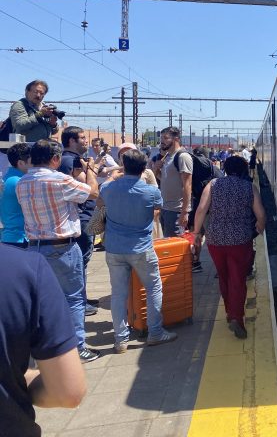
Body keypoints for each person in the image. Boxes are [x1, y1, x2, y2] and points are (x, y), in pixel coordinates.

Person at [16, 139, 101, 363]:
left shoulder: (22, 182)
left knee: (43, 300)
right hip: (61, 247)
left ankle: (47, 348)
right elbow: (92, 192)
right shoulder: (60, 180)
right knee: (73, 298)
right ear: (55, 159)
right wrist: (89, 169)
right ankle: (77, 348)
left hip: (33, 248)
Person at [0, 244, 86, 435]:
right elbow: (68, 391)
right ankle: (80, 343)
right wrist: (20, 380)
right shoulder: (22, 269)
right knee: (75, 299)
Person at [99, 149, 178, 353]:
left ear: (123, 166)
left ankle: (120, 340)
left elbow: (101, 198)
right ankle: (155, 333)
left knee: (118, 294)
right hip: (141, 248)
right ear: (144, 169)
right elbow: (157, 208)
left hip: (114, 248)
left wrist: (112, 177)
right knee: (153, 288)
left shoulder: (108, 189)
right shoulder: (151, 191)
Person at [193, 155, 266, 339]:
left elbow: (201, 209)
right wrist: (260, 226)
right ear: (243, 170)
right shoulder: (249, 187)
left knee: (224, 276)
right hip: (240, 240)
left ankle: (228, 312)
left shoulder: (213, 185)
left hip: (215, 240)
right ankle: (237, 318)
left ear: (225, 169)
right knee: (238, 279)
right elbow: (261, 214)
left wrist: (196, 233)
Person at [59, 126, 99, 316]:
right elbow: (90, 191)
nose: (86, 141)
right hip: (82, 217)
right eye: (82, 138)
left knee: (82, 260)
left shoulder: (71, 160)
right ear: (71, 141)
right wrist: (91, 169)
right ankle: (79, 301)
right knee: (80, 260)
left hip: (85, 216)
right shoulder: (69, 161)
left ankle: (82, 297)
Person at [155, 127, 201, 272]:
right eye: (161, 138)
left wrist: (185, 211)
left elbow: (187, 185)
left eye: (165, 138)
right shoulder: (167, 157)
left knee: (177, 243)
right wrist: (156, 170)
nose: (162, 142)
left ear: (176, 139)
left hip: (176, 209)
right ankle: (180, 271)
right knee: (171, 243)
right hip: (166, 208)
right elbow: (167, 181)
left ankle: (184, 271)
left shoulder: (182, 157)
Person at [1, 143, 32, 248]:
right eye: (32, 160)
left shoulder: (7, 179)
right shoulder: (20, 182)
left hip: (9, 237)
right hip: (20, 238)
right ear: (21, 163)